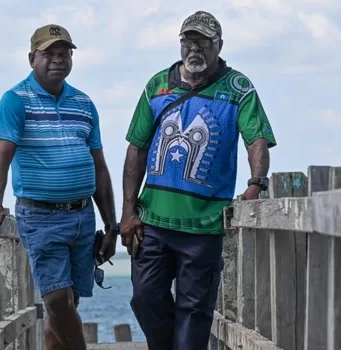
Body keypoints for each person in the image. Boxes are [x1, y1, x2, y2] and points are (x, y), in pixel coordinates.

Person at [120, 10, 277, 350]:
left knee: (194, 312)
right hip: (154, 222)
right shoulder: (157, 85)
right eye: (188, 41)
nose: (195, 49)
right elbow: (136, 149)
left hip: (204, 225)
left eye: (203, 42)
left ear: (218, 45)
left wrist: (256, 183)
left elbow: (257, 140)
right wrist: (128, 211)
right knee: (145, 297)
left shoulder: (239, 88)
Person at [0, 24, 118, 350]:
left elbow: (99, 168)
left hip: (83, 216)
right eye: (49, 54)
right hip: (40, 215)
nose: (58, 60)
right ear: (32, 58)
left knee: (68, 305)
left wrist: (111, 224)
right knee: (57, 300)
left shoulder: (84, 103)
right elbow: (0, 158)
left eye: (64, 54)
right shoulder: (16, 100)